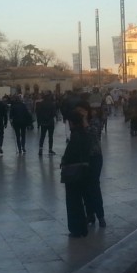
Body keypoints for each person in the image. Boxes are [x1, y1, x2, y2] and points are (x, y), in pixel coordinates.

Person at [60, 101, 92, 238]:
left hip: (74, 172)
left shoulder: (76, 136)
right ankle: (83, 228)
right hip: (84, 170)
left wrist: (64, 161)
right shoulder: (85, 133)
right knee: (80, 200)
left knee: (73, 201)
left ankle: (76, 229)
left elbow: (71, 154)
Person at [85, 107, 106, 227]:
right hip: (85, 157)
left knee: (94, 185)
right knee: (86, 187)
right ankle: (90, 214)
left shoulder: (95, 121)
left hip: (95, 156)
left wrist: (83, 122)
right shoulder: (84, 121)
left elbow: (92, 133)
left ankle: (100, 215)